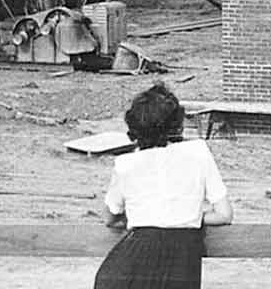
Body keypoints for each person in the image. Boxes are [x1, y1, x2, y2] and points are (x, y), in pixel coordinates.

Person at [94, 84, 233, 288]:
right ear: (177, 124)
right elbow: (224, 214)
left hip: (128, 267)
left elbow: (110, 217)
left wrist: (144, 216)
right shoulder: (198, 153)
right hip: (181, 262)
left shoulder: (126, 164)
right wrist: (190, 213)